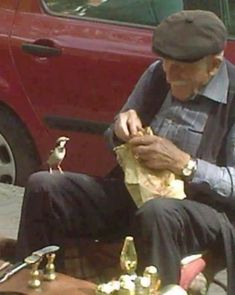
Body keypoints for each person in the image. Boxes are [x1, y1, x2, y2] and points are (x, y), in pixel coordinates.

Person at [16, 10, 235, 294]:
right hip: (135, 194)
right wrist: (120, 131)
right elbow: (114, 141)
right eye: (166, 63)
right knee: (43, 186)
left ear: (214, 66)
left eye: (181, 67)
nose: (170, 74)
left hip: (202, 214)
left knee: (157, 213)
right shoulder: (158, 74)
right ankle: (33, 283)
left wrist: (184, 164)